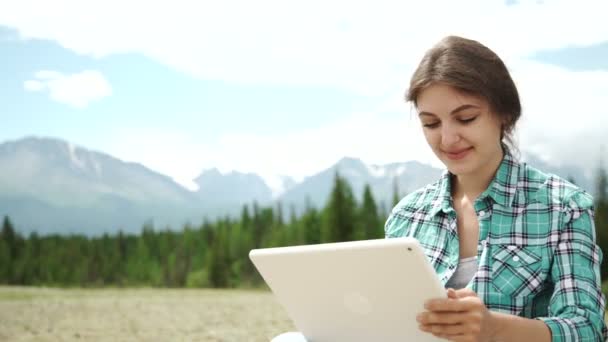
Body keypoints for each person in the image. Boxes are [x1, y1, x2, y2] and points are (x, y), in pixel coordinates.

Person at [273, 36, 607, 341]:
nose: (447, 139)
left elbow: (586, 326)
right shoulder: (408, 215)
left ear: (504, 113)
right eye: (431, 123)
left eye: (466, 119)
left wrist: (494, 329)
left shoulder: (562, 206)